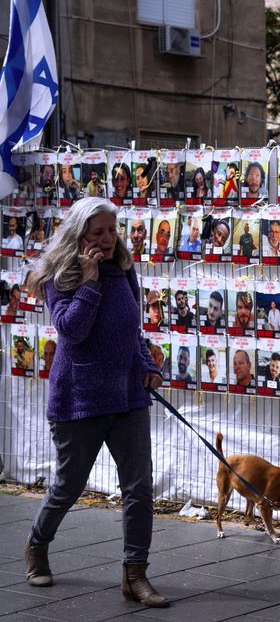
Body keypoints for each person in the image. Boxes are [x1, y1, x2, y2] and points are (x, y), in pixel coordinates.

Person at [22, 197, 169, 606]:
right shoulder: (60, 274)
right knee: (69, 485)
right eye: (98, 232)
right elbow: (72, 331)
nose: (107, 240)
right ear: (79, 234)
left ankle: (135, 575)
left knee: (139, 487)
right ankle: (37, 545)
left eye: (111, 230)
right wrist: (89, 281)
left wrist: (146, 365)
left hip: (128, 396)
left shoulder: (123, 269)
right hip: (79, 399)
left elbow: (131, 330)